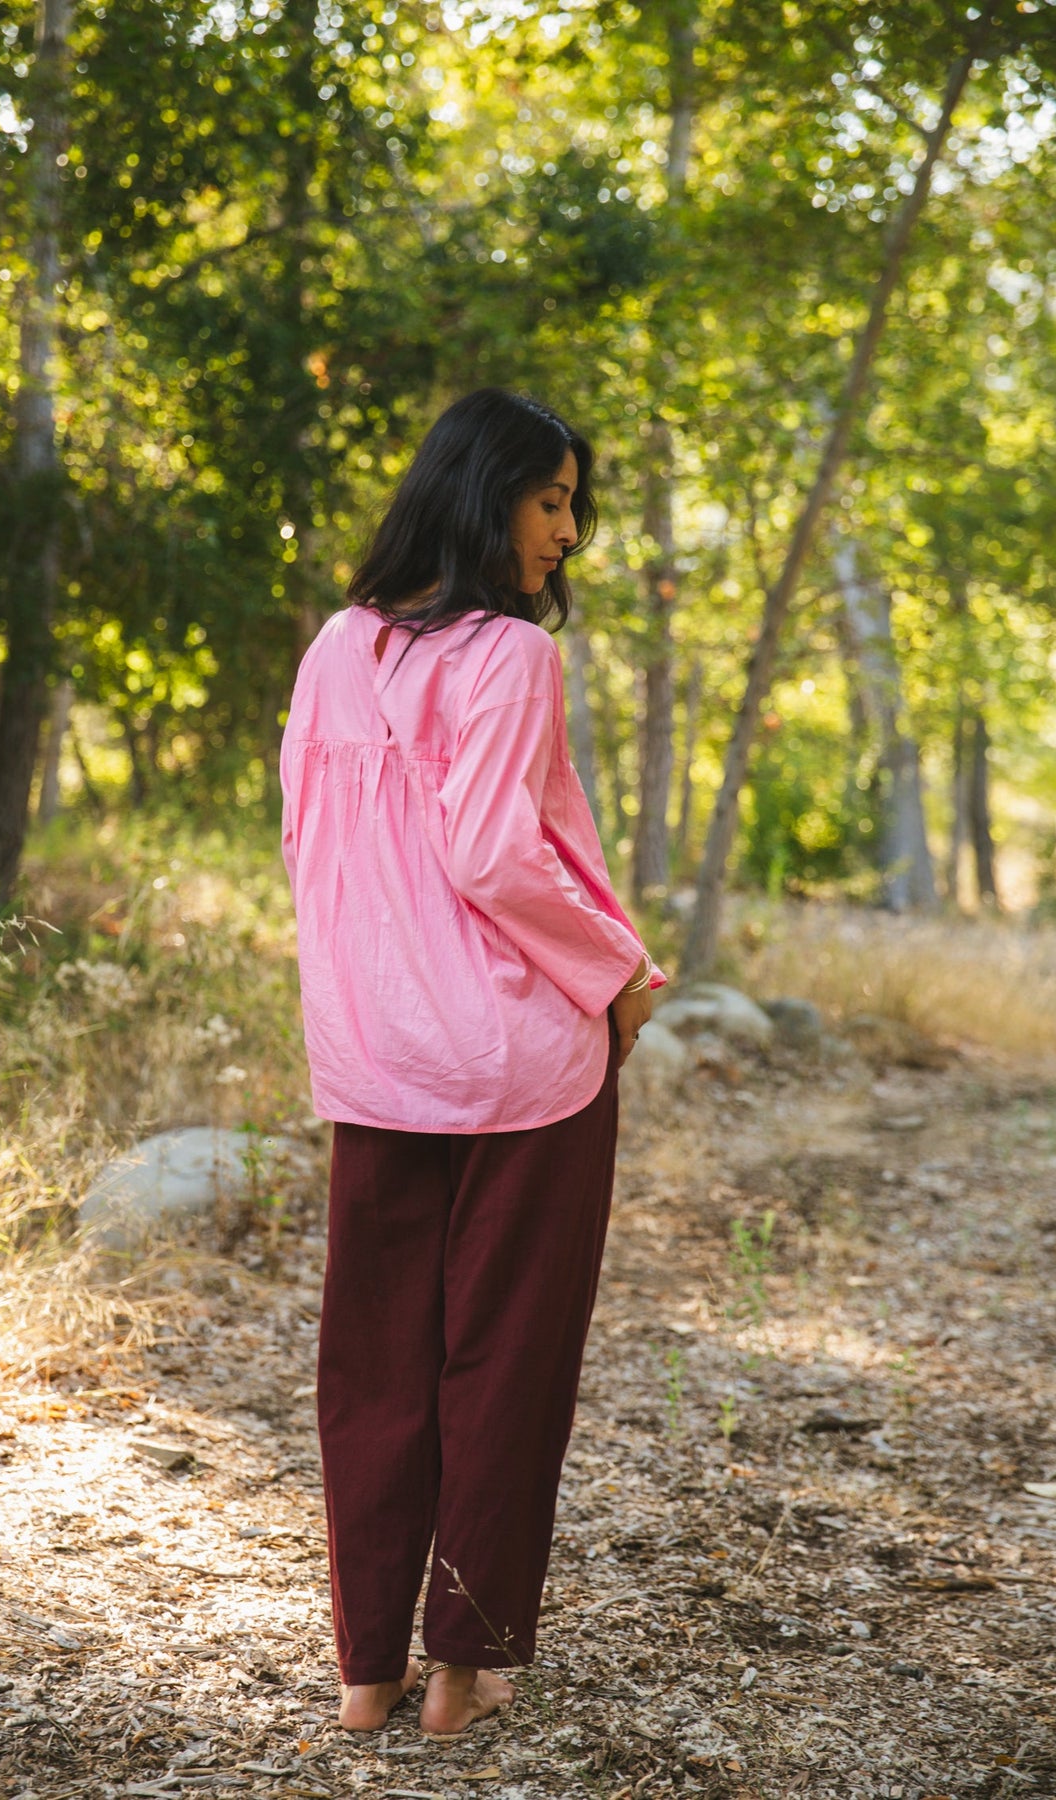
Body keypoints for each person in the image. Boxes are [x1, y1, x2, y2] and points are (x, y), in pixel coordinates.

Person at [280, 388, 666, 1738]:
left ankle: (366, 1674)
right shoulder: (512, 654)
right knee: (505, 1362)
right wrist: (617, 973)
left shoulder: (334, 647)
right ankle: (466, 1665)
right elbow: (496, 854)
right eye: (550, 500)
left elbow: (308, 849)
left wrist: (355, 1005)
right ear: (483, 492)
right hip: (522, 1063)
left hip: (377, 1060)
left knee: (373, 1365)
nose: (568, 531)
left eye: (573, 505)